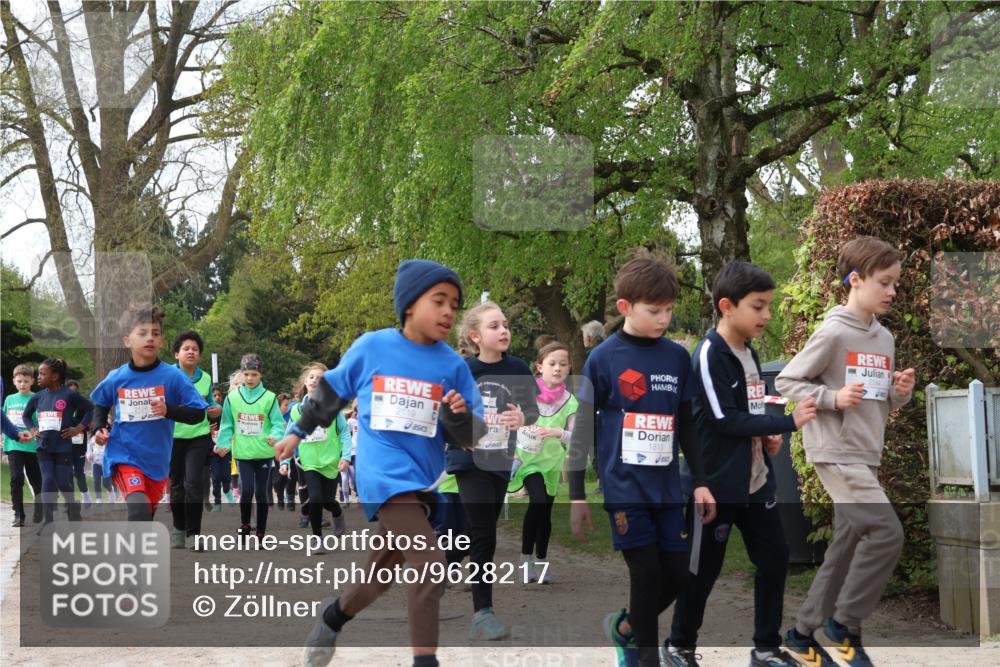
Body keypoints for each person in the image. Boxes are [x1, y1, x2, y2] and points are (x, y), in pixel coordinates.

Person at [274, 258, 484, 667]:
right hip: (382, 475)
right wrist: (296, 432)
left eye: (454, 305)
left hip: (423, 482)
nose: (448, 312)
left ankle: (334, 616)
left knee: (378, 579)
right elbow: (331, 392)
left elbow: (472, 437)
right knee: (430, 564)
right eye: (438, 300)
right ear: (410, 304)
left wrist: (457, 415)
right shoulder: (373, 347)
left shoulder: (452, 365)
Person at [664, 262, 818, 667]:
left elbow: (749, 411)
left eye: (768, 306)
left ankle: (765, 649)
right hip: (714, 487)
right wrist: (787, 423)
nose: (766, 315)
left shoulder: (750, 352)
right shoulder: (708, 354)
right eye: (758, 306)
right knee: (702, 571)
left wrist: (765, 438)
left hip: (756, 483)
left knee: (775, 559)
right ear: (727, 306)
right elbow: (724, 419)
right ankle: (678, 646)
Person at [567, 254, 717, 667]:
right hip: (624, 487)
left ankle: (627, 628)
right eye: (654, 311)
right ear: (625, 307)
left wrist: (701, 481)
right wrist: (577, 495)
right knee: (646, 575)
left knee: (679, 575)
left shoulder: (676, 358)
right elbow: (582, 429)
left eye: (669, 309)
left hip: (667, 489)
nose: (664, 318)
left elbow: (687, 423)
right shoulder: (603, 359)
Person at [777, 237, 916, 667]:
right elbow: (787, 381)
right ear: (855, 280)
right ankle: (845, 625)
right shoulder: (834, 332)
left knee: (844, 547)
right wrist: (832, 398)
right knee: (887, 533)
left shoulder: (885, 338)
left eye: (895, 283)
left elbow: (876, 399)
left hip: (865, 453)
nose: (892, 291)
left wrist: (898, 393)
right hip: (836, 453)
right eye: (884, 282)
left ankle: (801, 635)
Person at [449, 301, 538, 640]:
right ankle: (482, 614)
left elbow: (532, 410)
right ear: (475, 336)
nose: (504, 330)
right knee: (485, 532)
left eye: (505, 325)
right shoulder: (462, 370)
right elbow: (443, 414)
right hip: (469, 460)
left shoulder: (518, 368)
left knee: (475, 530)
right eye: (494, 326)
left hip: (500, 460)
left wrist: (523, 417)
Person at [90, 304, 208, 522]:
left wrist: (169, 410)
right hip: (124, 455)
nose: (150, 338)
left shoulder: (173, 377)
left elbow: (198, 414)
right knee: (139, 509)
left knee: (145, 517)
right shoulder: (117, 377)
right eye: (143, 333)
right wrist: (99, 427)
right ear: (127, 340)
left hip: (157, 461)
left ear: (162, 341)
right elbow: (101, 404)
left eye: (155, 333)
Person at [509, 341, 577, 585]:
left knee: (545, 512)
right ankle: (525, 560)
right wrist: (513, 455)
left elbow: (575, 436)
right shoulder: (525, 395)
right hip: (527, 460)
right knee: (537, 502)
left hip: (552, 463)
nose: (558, 368)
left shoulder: (571, 402)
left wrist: (559, 433)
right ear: (540, 367)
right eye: (552, 363)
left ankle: (542, 561)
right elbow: (512, 425)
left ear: (569, 368)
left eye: (563, 364)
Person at [279, 363, 352, 544]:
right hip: (309, 462)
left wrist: (346, 457)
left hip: (331, 462)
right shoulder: (296, 410)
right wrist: (284, 462)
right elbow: (289, 436)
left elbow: (344, 432)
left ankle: (337, 512)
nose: (314, 381)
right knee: (315, 498)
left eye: (320, 379)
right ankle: (317, 538)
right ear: (305, 381)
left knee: (328, 501)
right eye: (311, 377)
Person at [216, 353, 285, 539]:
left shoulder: (269, 398)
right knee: (246, 490)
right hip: (243, 453)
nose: (250, 378)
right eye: (246, 374)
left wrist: (275, 436)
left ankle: (261, 532)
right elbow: (227, 423)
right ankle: (245, 524)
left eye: (254, 374)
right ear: (242, 374)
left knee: (261, 493)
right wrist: (223, 443)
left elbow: (278, 423)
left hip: (264, 453)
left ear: (260, 374)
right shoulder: (232, 398)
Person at [169, 331, 222, 548]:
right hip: (173, 437)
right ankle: (178, 528)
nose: (191, 352)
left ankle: (194, 534)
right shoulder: (166, 375)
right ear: (176, 354)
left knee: (194, 484)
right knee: (177, 487)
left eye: (195, 349)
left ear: (199, 354)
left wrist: (216, 409)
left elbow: (211, 403)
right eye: (186, 349)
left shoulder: (206, 378)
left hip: (199, 436)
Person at [23, 359, 92, 523]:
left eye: (42, 374)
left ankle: (72, 507)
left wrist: (78, 428)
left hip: (63, 447)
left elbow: (90, 409)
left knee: (63, 483)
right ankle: (48, 520)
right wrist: (33, 429)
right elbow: (26, 416)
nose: (38, 377)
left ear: (54, 377)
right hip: (44, 447)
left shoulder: (69, 395)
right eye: (38, 374)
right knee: (47, 480)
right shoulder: (38, 397)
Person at [4, 368, 43, 526]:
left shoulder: (37, 398)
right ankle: (18, 514)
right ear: (14, 381)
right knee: (16, 478)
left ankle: (40, 510)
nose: (22, 384)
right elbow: (3, 420)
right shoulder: (9, 399)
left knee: (36, 479)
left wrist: (33, 433)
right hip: (14, 445)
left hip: (32, 446)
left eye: (26, 381)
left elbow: (41, 421)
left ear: (32, 381)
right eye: (19, 381)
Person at [209, 384, 236, 510]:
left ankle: (227, 491)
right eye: (214, 395)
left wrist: (227, 448)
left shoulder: (227, 414)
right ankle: (217, 502)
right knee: (216, 477)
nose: (217, 397)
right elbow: (203, 436)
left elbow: (232, 432)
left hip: (226, 450)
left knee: (226, 475)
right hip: (213, 452)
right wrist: (215, 448)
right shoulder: (206, 416)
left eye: (219, 395)